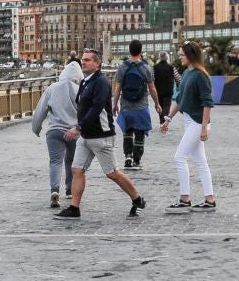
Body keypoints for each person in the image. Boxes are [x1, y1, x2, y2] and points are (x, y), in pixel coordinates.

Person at [54, 49, 147, 220]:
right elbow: (81, 107)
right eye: (83, 60)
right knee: (77, 169)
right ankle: (74, 208)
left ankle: (138, 200)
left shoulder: (101, 82)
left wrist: (78, 128)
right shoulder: (85, 82)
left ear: (97, 63)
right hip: (86, 136)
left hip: (101, 136)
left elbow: (96, 109)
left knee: (112, 172)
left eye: (88, 60)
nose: (84, 62)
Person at [160, 41, 216, 212]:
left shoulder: (200, 75)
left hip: (198, 123)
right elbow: (179, 99)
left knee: (179, 157)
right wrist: (168, 119)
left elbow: (208, 103)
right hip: (190, 121)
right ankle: (209, 199)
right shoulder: (186, 73)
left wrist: (204, 128)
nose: (180, 57)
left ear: (191, 55)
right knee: (201, 162)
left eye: (182, 54)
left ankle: (185, 199)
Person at [31, 60, 82, 208]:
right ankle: (70, 190)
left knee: (55, 161)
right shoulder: (80, 90)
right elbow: (86, 112)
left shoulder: (52, 88)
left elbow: (41, 109)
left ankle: (54, 190)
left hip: (54, 131)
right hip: (74, 132)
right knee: (71, 160)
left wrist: (36, 128)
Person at [112, 39, 162, 170]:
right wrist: (157, 104)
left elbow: (117, 88)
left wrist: (114, 104)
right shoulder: (146, 67)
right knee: (140, 133)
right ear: (141, 51)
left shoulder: (122, 67)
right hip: (141, 106)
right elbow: (152, 88)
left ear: (129, 51)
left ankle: (127, 155)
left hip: (126, 105)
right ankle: (137, 160)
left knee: (127, 132)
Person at [153, 52, 176, 125]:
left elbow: (152, 79)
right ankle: (164, 121)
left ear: (159, 58)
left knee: (159, 105)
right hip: (168, 90)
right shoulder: (171, 67)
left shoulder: (155, 67)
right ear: (167, 58)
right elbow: (178, 79)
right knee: (166, 106)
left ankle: (161, 120)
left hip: (157, 90)